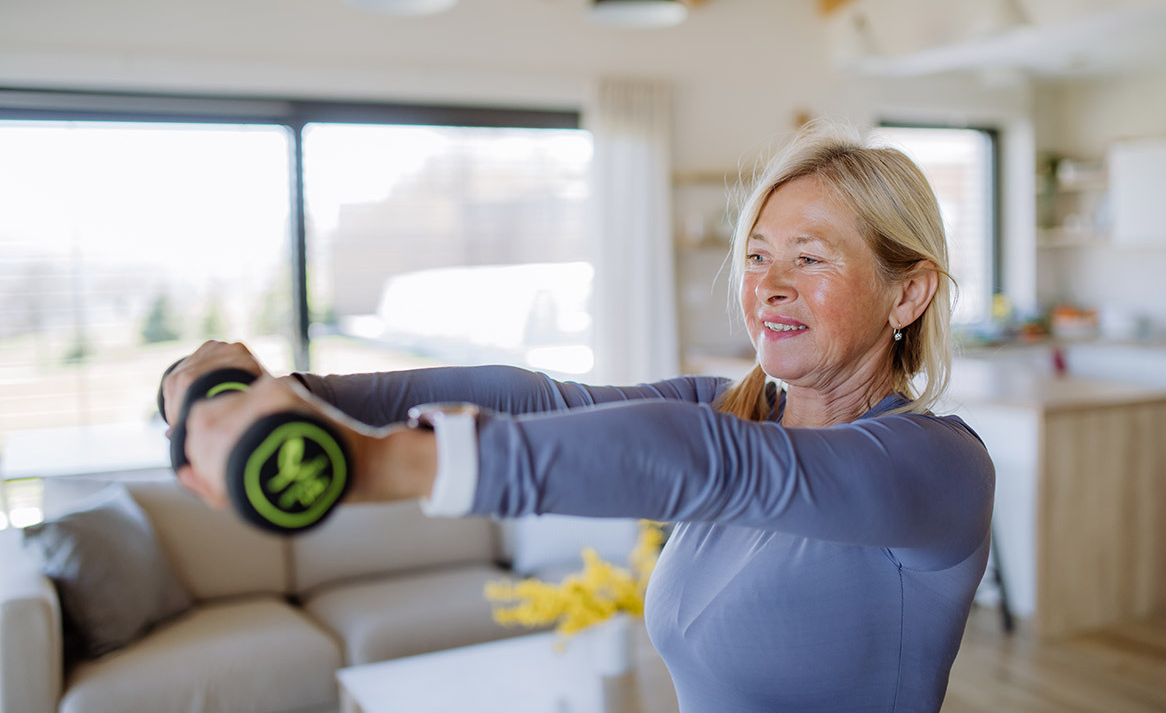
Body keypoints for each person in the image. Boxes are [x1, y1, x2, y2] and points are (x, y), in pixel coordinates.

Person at [162, 123, 994, 712]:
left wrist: (383, 466)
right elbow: (537, 398)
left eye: (809, 259)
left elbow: (702, 461)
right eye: (756, 255)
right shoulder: (738, 413)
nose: (768, 284)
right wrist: (288, 396)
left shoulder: (935, 468)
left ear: (908, 292)